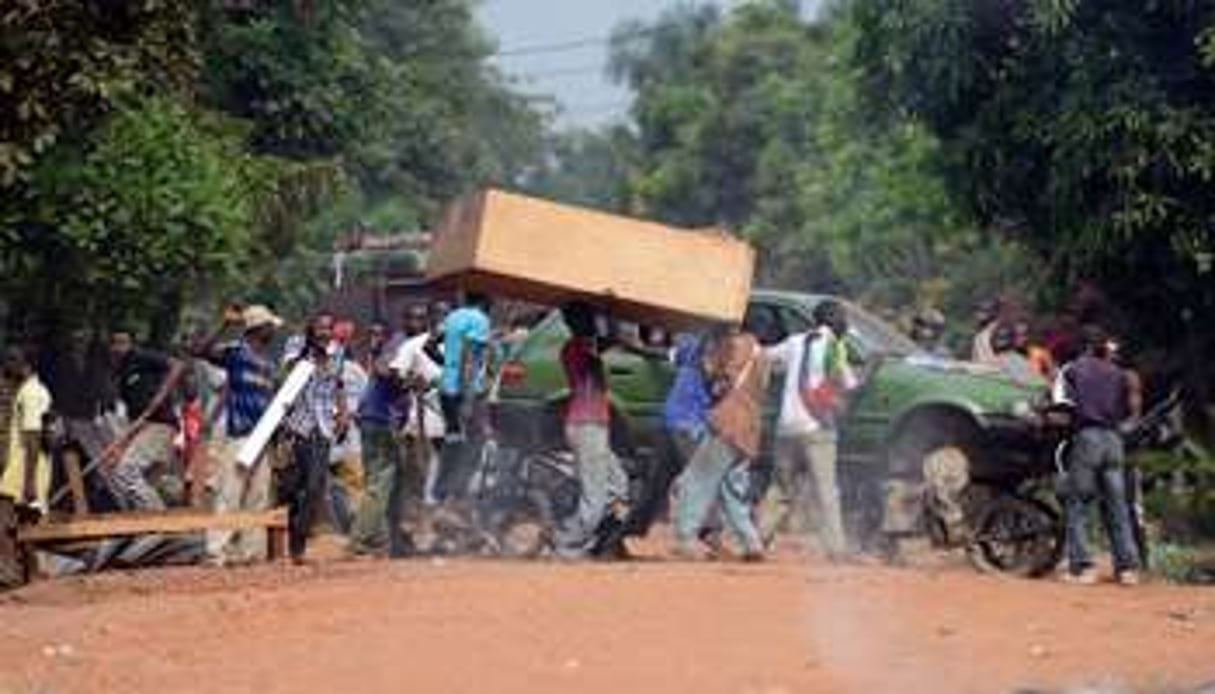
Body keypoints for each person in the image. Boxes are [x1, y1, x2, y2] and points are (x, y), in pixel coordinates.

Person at [761, 299, 857, 558]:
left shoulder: (795, 341)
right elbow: (848, 382)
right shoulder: (836, 346)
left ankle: (757, 540)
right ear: (836, 321)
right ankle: (836, 549)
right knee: (826, 490)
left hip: (786, 426)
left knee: (780, 487)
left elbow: (766, 356)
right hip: (817, 427)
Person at [671, 323, 768, 561]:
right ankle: (752, 543)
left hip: (727, 423)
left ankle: (686, 539)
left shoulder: (732, 345)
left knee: (697, 479)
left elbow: (715, 375)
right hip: (750, 428)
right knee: (730, 488)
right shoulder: (761, 353)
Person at [194, 304, 282, 565]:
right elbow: (200, 351)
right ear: (258, 328)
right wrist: (224, 325)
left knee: (258, 497)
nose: (274, 331)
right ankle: (216, 553)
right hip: (240, 434)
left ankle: (251, 553)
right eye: (270, 327)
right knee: (230, 494)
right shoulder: (236, 352)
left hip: (262, 437)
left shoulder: (269, 362)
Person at [1054, 325, 1142, 586]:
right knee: (1117, 506)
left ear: (1083, 346)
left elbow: (1061, 405)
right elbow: (1129, 410)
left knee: (1078, 503)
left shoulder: (1071, 370)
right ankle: (1127, 569)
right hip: (1114, 441)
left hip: (1088, 438)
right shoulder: (1119, 373)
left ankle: (1083, 568)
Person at [349, 306, 428, 557]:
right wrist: (404, 380)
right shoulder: (401, 343)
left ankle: (392, 542)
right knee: (381, 482)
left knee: (395, 484)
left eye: (421, 318)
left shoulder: (415, 347)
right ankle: (360, 540)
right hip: (379, 419)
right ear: (404, 320)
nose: (417, 322)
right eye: (412, 317)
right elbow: (383, 368)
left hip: (385, 420)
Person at [552, 302, 628, 557]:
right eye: (589, 320)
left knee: (618, 484)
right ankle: (567, 542)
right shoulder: (577, 348)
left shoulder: (580, 346)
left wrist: (609, 312)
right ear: (578, 323)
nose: (593, 324)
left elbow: (609, 340)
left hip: (592, 424)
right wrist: (611, 312)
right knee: (594, 497)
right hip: (586, 425)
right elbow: (611, 340)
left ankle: (597, 538)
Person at [279, 312, 348, 564]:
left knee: (315, 487)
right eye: (320, 328)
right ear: (311, 330)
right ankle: (291, 543)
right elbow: (288, 370)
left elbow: (337, 383)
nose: (324, 333)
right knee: (294, 487)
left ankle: (299, 542)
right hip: (298, 425)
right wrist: (310, 351)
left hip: (323, 426)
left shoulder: (337, 351)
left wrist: (344, 413)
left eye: (328, 328)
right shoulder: (297, 345)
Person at [103, 331, 185, 510]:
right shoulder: (121, 373)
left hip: (160, 424)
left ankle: (158, 520)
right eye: (115, 343)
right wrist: (120, 447)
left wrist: (160, 396)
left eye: (123, 342)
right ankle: (153, 521)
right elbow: (133, 417)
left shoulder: (141, 357)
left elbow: (177, 365)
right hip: (144, 428)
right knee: (145, 479)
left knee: (126, 472)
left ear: (131, 343)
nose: (119, 347)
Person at [433, 293, 492, 506]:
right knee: (475, 442)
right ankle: (457, 494)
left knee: (454, 439)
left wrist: (448, 365)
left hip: (446, 389)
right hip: (465, 390)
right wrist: (468, 399)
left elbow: (432, 344)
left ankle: (442, 492)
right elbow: (469, 357)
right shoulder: (480, 319)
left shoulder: (452, 316)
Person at [1, 346, 52, 511]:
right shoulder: (26, 390)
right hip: (18, 469)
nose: (6, 366)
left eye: (11, 360)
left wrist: (29, 483)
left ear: (25, 364)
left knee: (19, 526)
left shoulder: (31, 393)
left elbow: (33, 438)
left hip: (24, 472)